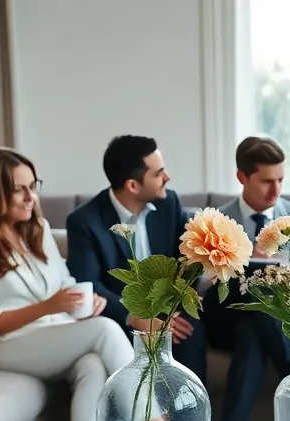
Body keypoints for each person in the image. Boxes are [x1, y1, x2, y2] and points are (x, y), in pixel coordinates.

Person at [0, 147, 134, 421]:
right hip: (4, 346)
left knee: (93, 365)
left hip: (51, 336)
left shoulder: (37, 230)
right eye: (19, 190)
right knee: (105, 330)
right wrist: (48, 307)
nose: (31, 197)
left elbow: (64, 282)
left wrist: (86, 303)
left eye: (33, 186)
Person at [201, 136, 290, 421]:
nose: (276, 190)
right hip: (225, 314)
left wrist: (281, 276)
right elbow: (198, 286)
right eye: (267, 181)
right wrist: (237, 263)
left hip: (274, 319)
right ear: (242, 177)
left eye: (281, 179)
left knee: (257, 320)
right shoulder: (213, 220)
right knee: (255, 302)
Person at [65, 136, 206, 382]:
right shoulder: (84, 222)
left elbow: (187, 261)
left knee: (190, 330)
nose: (167, 177)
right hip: (120, 322)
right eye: (159, 173)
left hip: (168, 311)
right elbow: (89, 285)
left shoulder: (169, 203)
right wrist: (135, 317)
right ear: (132, 185)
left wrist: (168, 311)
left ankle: (195, 418)